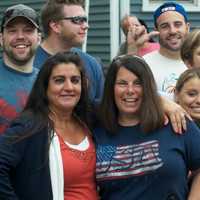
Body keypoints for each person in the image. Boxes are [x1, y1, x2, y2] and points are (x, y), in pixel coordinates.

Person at [93, 55, 200, 200]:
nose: (130, 90)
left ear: (148, 87)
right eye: (122, 83)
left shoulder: (176, 121)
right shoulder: (97, 126)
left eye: (138, 83)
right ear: (111, 88)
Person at [0, 52, 98, 200]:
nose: (69, 87)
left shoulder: (88, 121)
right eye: (59, 81)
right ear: (45, 87)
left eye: (75, 80)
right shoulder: (30, 124)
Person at [33, 0, 104, 104]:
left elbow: (101, 111)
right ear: (56, 26)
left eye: (85, 20)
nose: (86, 26)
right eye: (78, 20)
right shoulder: (30, 65)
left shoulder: (92, 64)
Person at [0, 4, 40, 134]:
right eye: (12, 31)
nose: (20, 36)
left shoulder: (47, 81)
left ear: (39, 38)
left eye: (28, 30)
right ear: (1, 39)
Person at [143, 2, 189, 98]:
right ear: (156, 31)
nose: (172, 31)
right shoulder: (144, 64)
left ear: (187, 28)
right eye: (165, 26)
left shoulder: (197, 62)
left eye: (177, 24)